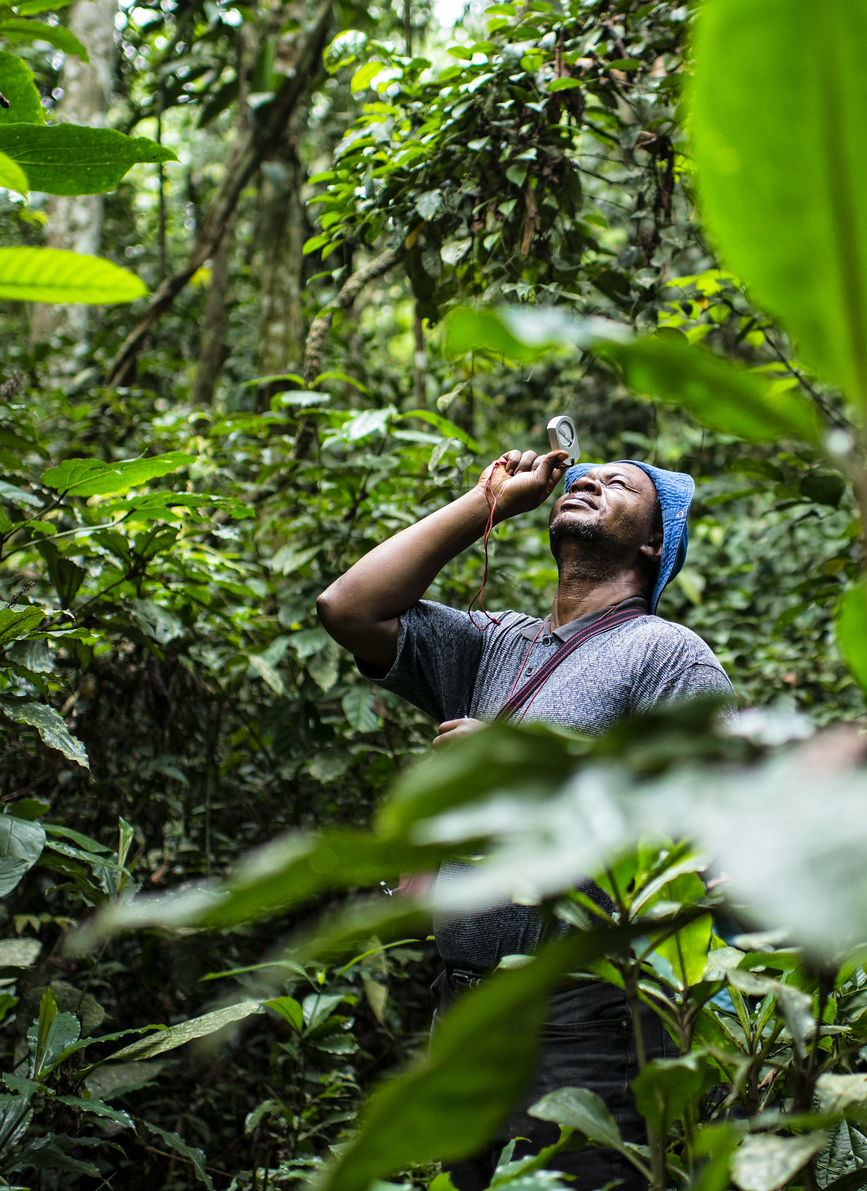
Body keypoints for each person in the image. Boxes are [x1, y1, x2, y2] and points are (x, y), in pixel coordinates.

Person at [317, 446, 733, 1191]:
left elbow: (698, 825)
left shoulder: (671, 656)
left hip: (590, 1029)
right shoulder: (496, 644)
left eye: (621, 483)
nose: (590, 479)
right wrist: (489, 506)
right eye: (586, 474)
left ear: (653, 542)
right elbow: (349, 607)